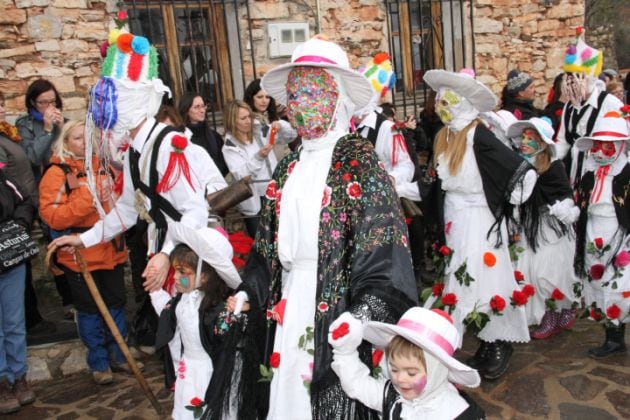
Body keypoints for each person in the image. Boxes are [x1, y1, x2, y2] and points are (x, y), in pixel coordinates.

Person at [237, 35, 418, 419]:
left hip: (336, 306)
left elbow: (384, 249)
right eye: (293, 94)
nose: (296, 104)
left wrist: (363, 313)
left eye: (309, 92)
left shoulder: (359, 162)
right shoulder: (289, 166)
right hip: (290, 302)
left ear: (335, 96)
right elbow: (266, 247)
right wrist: (247, 291)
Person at [51, 26, 212, 295]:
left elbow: (195, 211)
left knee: (189, 328)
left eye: (113, 97)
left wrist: (167, 254)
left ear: (134, 100)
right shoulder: (134, 151)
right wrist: (83, 239)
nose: (104, 109)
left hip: (184, 256)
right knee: (173, 329)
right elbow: (127, 210)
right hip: (160, 252)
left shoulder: (168, 146)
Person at [421, 68, 537, 381]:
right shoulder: (445, 136)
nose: (443, 104)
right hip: (456, 221)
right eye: (440, 98)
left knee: (483, 280)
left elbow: (519, 171)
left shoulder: (477, 134)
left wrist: (507, 201)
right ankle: (484, 341)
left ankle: (497, 342)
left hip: (478, 219)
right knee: (463, 280)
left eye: (449, 99)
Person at [39, 120, 130, 384]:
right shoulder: (56, 174)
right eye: (77, 138)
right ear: (65, 142)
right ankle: (99, 363)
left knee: (116, 302)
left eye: (87, 137)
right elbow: (53, 217)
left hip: (110, 249)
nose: (84, 142)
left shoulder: (102, 165)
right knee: (89, 309)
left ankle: (120, 354)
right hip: (79, 255)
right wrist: (87, 199)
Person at [150, 223, 257, 420]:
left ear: (205, 276)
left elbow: (237, 330)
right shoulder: (181, 301)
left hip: (210, 372)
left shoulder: (216, 310)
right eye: (175, 271)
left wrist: (245, 311)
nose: (175, 277)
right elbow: (167, 314)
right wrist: (154, 289)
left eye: (183, 272)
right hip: (189, 371)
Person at [328, 307, 484, 419]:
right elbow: (358, 384)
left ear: (436, 371)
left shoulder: (458, 413)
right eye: (394, 370)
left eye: (411, 373)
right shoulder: (393, 396)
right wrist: (345, 352)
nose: (400, 379)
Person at [506, 117, 580, 339]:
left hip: (550, 229)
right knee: (531, 273)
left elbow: (563, 193)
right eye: (524, 137)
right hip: (529, 227)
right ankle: (548, 313)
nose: (525, 142)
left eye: (531, 138)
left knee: (551, 272)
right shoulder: (519, 166)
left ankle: (561, 310)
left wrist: (560, 209)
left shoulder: (554, 166)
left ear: (543, 142)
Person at [574, 110, 629, 358]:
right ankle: (613, 337)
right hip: (593, 232)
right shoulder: (589, 176)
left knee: (619, 285)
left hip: (620, 235)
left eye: (607, 146)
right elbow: (582, 205)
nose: (599, 152)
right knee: (599, 283)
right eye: (597, 146)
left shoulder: (627, 175)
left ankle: (617, 335)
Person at [0, 92, 53, 334]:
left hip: (23, 207)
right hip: (10, 212)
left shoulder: (6, 134)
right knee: (14, 263)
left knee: (22, 264)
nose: (2, 110)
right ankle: (26, 322)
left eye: (2, 104)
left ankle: (30, 319)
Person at [555, 28, 623, 187]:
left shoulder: (610, 103)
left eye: (577, 76)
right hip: (574, 174)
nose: (571, 81)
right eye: (569, 76)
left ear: (590, 78)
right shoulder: (569, 108)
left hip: (603, 174)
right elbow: (563, 141)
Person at [0, 166, 37, 414]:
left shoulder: (2, 177)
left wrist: (19, 226)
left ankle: (19, 377)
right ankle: (2, 382)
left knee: (14, 322)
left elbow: (25, 202)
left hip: (9, 257)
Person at [222, 99, 277, 238]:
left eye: (249, 116)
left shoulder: (260, 131)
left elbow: (287, 136)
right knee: (261, 243)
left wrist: (280, 125)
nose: (248, 121)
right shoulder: (229, 147)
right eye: (243, 118)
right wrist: (258, 157)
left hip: (273, 192)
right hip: (253, 201)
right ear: (232, 121)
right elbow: (241, 175)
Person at [16, 79, 65, 182]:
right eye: (43, 102)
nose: (50, 106)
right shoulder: (24, 124)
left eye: (52, 101)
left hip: (62, 178)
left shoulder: (63, 121)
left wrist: (63, 129)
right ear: (33, 102)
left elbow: (71, 154)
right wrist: (47, 130)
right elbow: (32, 160)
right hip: (39, 181)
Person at [244, 78, 297, 160]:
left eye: (267, 97)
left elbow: (285, 144)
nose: (264, 101)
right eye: (260, 97)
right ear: (251, 98)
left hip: (281, 165)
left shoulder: (273, 117)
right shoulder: (248, 121)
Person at [178, 93, 229, 177]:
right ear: (186, 110)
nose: (202, 110)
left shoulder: (214, 136)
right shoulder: (182, 137)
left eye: (203, 106)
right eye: (196, 107)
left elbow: (224, 164)